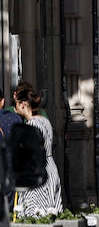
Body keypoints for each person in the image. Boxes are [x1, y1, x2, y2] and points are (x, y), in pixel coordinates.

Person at [13, 85, 62, 216]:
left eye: (16, 103)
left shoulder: (32, 125)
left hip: (38, 173)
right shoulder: (45, 121)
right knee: (50, 214)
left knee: (36, 215)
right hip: (51, 169)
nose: (15, 107)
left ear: (23, 104)